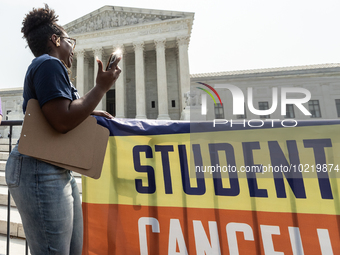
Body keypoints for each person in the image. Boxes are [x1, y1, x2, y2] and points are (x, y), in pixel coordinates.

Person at [5, 4, 121, 255]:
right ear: (56, 40)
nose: (73, 48)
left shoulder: (49, 67)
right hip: (38, 168)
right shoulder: (49, 64)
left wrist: (88, 111)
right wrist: (101, 88)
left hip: (54, 167)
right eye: (71, 41)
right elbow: (61, 120)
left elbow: (60, 110)